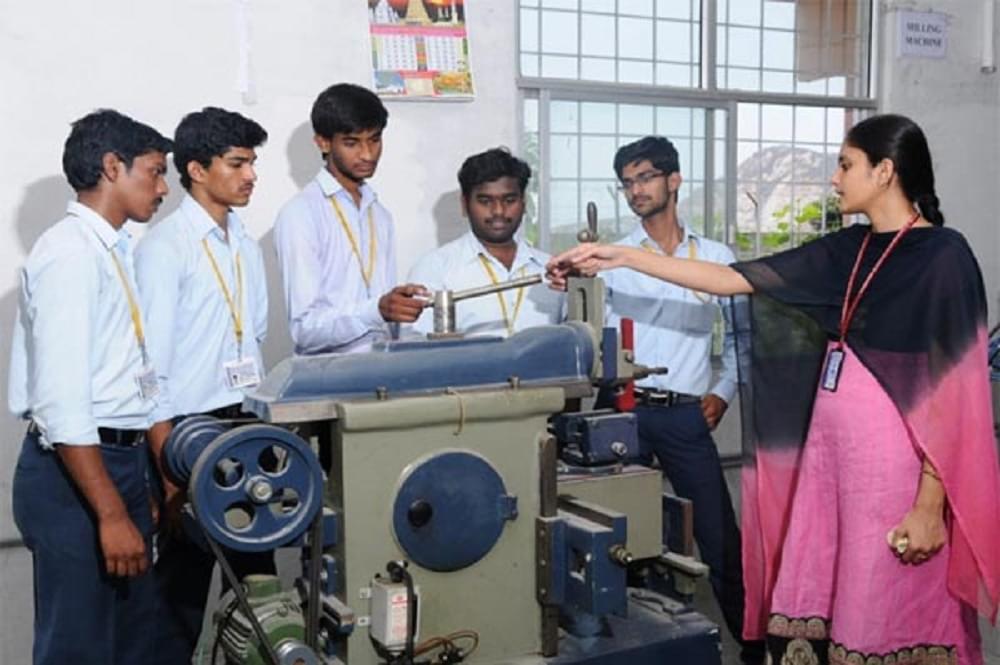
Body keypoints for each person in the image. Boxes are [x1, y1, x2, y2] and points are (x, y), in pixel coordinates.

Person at [548, 114, 1000, 664]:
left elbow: (956, 392)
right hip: (831, 461)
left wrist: (931, 503)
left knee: (884, 588)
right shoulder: (849, 249)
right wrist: (618, 255)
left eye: (845, 165)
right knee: (834, 578)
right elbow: (733, 279)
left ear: (884, 172)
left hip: (895, 466)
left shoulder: (943, 256)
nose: (835, 179)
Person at [9, 109, 171, 664]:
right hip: (73, 473)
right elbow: (63, 403)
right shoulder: (70, 254)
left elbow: (123, 378)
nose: (164, 186)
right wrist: (109, 513)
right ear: (111, 167)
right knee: (79, 647)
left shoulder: (114, 249)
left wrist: (137, 483)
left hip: (116, 463)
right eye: (154, 172)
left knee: (132, 642)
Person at [593, 136, 761, 664]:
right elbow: (593, 338)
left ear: (674, 180)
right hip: (624, 415)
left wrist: (723, 392)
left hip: (688, 414)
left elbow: (740, 339)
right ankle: (630, 648)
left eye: (644, 177)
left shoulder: (714, 259)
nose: (635, 190)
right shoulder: (613, 261)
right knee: (624, 539)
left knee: (719, 537)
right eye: (626, 182)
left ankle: (754, 647)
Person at [134, 107, 272, 665]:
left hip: (246, 425)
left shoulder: (245, 242)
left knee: (259, 588)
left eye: (252, 163)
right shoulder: (164, 248)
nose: (251, 175)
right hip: (187, 435)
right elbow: (150, 369)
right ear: (196, 168)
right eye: (237, 163)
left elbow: (255, 334)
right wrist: (167, 465)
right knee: (182, 593)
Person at [274, 82, 426, 355]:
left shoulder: (380, 215)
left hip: (382, 375)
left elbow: (387, 319)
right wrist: (376, 309)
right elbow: (305, 330)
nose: (367, 154)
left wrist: (403, 306)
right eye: (352, 143)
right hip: (328, 381)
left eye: (375, 139)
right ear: (323, 142)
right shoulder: (300, 214)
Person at [407, 147, 563, 337]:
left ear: (523, 204)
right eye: (485, 201)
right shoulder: (435, 269)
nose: (498, 211)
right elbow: (415, 347)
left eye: (509, 200)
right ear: (465, 205)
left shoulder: (551, 270)